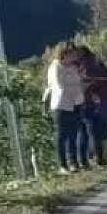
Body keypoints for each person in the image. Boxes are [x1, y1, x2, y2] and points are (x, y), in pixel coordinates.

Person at [43, 43, 90, 173]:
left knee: (73, 134)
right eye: (72, 54)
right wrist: (74, 89)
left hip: (76, 103)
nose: (74, 57)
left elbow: (79, 82)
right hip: (62, 105)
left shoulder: (74, 67)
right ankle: (63, 165)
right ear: (64, 54)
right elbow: (59, 85)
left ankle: (74, 162)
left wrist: (81, 82)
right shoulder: (55, 67)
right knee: (62, 135)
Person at [79, 47, 107, 168]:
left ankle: (96, 158)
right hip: (104, 104)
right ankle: (103, 158)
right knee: (103, 133)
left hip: (89, 104)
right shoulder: (100, 66)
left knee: (92, 133)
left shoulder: (83, 68)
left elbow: (86, 86)